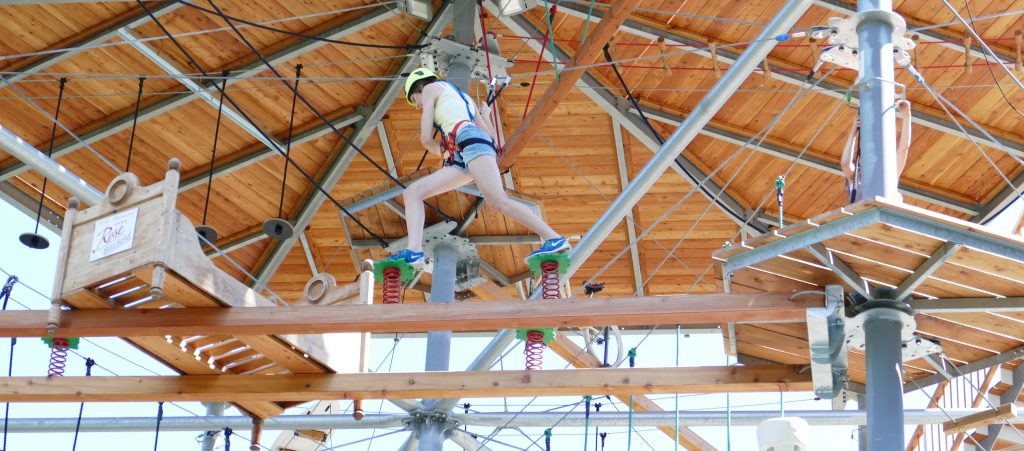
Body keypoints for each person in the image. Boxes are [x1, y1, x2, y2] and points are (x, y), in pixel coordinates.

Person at [386, 68, 570, 268]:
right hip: (470, 148)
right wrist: (485, 116)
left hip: (468, 145)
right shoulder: (465, 98)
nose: (417, 106)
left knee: (498, 201)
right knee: (412, 193)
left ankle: (553, 238)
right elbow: (491, 138)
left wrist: (441, 152)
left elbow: (426, 139)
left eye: (415, 99)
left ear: (420, 86)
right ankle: (414, 252)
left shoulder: (431, 88)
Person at [840, 99, 912, 203]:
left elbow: (903, 149)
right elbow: (845, 163)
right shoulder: (856, 178)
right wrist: (853, 131)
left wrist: (907, 116)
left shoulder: (889, 174)